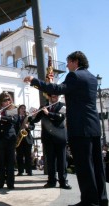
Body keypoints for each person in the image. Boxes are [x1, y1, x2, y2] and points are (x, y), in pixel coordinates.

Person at [24, 51, 108, 206]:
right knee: (97, 166)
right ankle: (101, 200)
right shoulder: (91, 77)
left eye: (68, 62)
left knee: (84, 166)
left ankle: (89, 202)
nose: (67, 65)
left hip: (80, 128)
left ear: (75, 61)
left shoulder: (74, 76)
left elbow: (56, 89)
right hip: (94, 127)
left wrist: (34, 81)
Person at [31, 94, 71, 189]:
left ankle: (63, 181)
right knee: (50, 161)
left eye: (56, 96)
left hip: (60, 136)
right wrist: (33, 115)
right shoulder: (43, 106)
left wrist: (48, 113)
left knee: (62, 160)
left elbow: (60, 117)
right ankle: (51, 181)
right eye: (53, 96)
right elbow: (35, 120)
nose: (55, 98)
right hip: (48, 137)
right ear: (49, 97)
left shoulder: (62, 105)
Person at [0, 91, 17, 190]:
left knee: (10, 161)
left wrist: (0, 116)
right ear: (1, 101)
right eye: (5, 100)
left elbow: (13, 120)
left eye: (9, 99)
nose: (8, 102)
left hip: (9, 137)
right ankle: (0, 182)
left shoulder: (13, 109)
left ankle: (10, 183)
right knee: (0, 161)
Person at [15, 104, 35, 176]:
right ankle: (20, 171)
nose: (23, 110)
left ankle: (29, 171)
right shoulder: (16, 118)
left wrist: (28, 126)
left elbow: (33, 127)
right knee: (19, 156)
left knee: (28, 156)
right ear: (19, 110)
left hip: (27, 139)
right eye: (22, 108)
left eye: (24, 108)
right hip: (19, 139)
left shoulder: (28, 118)